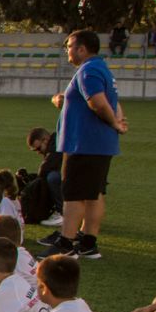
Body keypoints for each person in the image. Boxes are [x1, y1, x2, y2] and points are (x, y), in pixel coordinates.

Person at [45, 29, 126, 260]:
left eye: (69, 46)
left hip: (85, 143)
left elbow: (98, 103)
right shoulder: (100, 68)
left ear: (81, 49)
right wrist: (117, 120)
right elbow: (112, 101)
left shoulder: (88, 70)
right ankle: (88, 241)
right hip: (96, 143)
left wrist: (115, 122)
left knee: (73, 194)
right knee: (93, 193)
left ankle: (66, 243)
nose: (67, 51)